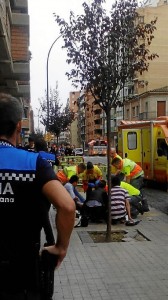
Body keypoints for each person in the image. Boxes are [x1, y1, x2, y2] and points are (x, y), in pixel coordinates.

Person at [0, 93, 75, 300]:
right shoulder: (33, 163)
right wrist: (61, 247)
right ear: (18, 126)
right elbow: (67, 206)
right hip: (23, 275)